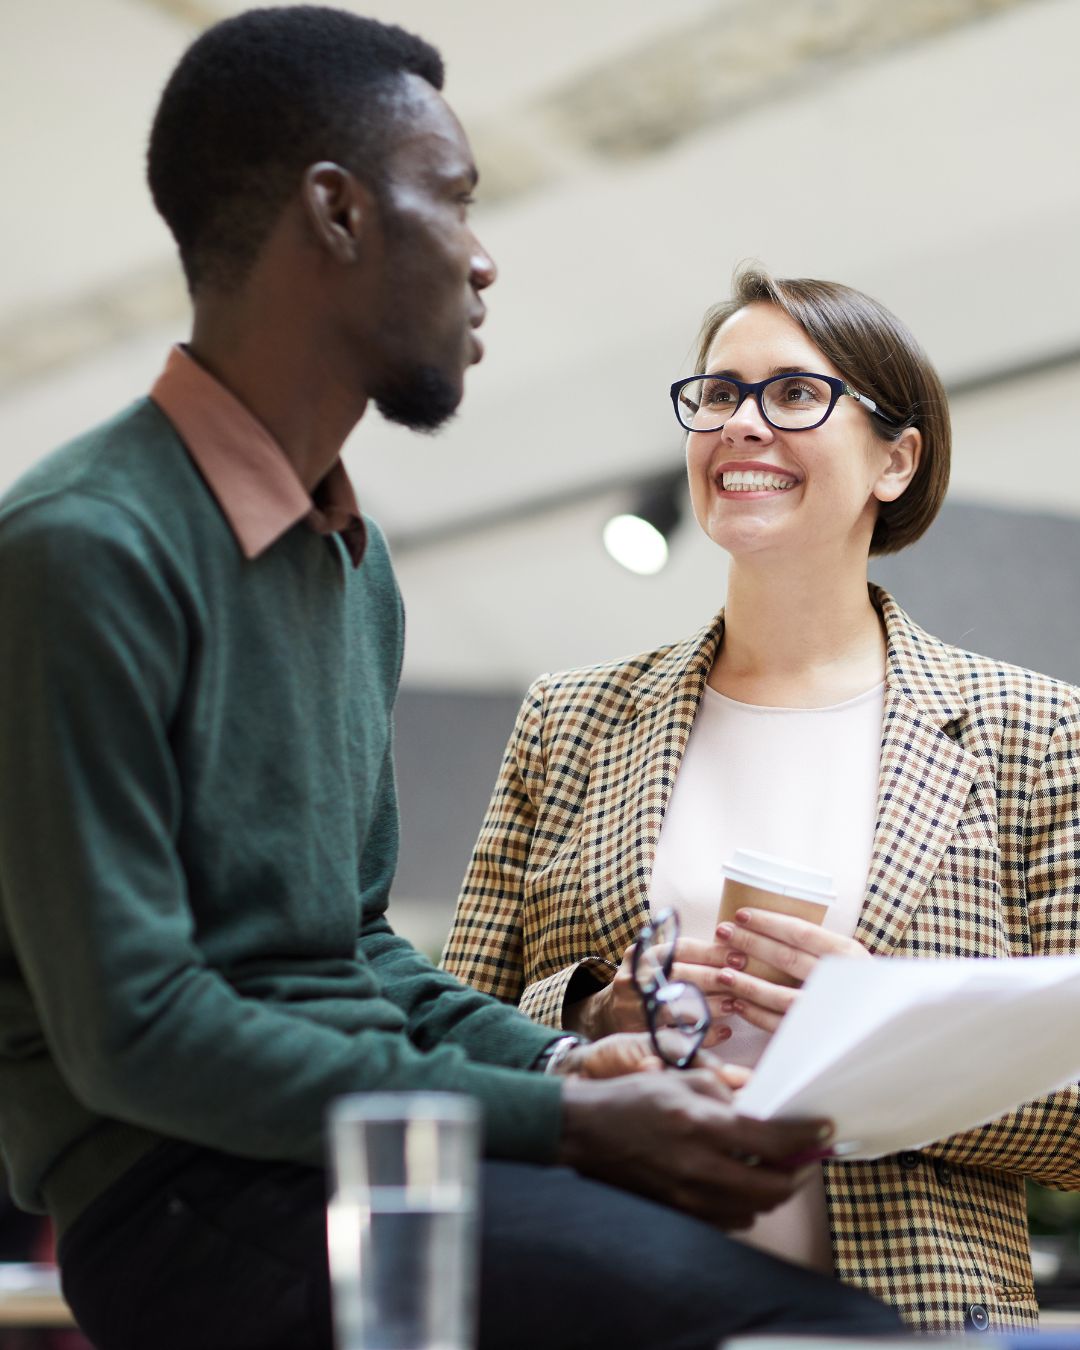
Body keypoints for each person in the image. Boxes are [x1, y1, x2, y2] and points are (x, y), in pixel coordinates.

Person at [0, 11, 903, 1350]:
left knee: (811, 1310)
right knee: (789, 1327)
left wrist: (561, 1059)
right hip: (183, 1192)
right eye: (458, 200)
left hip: (371, 1160)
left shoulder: (354, 566)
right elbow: (137, 1032)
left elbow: (356, 950)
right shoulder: (84, 548)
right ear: (339, 214)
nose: (483, 260)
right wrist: (565, 1117)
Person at [444, 265, 1080, 1334]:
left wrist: (888, 1028)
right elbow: (442, 1042)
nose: (742, 423)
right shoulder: (570, 719)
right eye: (719, 394)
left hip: (906, 1319)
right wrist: (588, 1019)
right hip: (600, 1300)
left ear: (896, 457)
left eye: (794, 394)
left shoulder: (1041, 734)